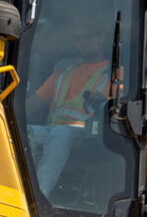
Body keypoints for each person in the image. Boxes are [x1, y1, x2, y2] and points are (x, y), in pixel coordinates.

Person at [25, 26, 113, 198]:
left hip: (86, 133)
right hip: (52, 130)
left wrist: (105, 103)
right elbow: (30, 106)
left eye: (87, 36)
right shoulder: (63, 73)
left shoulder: (115, 75)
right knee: (24, 133)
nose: (82, 42)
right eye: (77, 39)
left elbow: (121, 110)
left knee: (60, 134)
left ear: (102, 38)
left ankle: (38, 194)